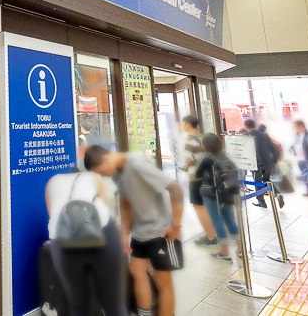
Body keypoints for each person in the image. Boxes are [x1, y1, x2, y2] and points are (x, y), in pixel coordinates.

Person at [85, 145, 184, 316]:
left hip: (160, 232)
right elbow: (125, 201)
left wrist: (176, 225)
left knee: (163, 282)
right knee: (137, 271)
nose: (103, 176)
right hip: (140, 233)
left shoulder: (138, 165)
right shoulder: (117, 172)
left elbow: (175, 189)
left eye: (101, 172)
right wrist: (124, 233)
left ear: (106, 159)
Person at [45, 170, 126, 315]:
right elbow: (104, 206)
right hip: (101, 235)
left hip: (62, 241)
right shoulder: (93, 177)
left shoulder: (51, 182)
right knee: (114, 303)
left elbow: (52, 213)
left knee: (78, 305)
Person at [196, 133, 242, 261]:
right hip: (227, 193)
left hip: (212, 194)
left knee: (217, 222)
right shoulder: (225, 156)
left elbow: (197, 173)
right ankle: (240, 250)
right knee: (230, 220)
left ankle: (225, 253)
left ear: (205, 145)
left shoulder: (206, 158)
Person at [179, 115, 217, 247]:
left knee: (199, 207)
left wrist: (185, 165)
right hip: (208, 177)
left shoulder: (189, 140)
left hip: (196, 177)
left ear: (188, 124)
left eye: (183, 123)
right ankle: (214, 234)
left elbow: (188, 160)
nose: (182, 126)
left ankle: (211, 237)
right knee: (207, 206)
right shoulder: (203, 138)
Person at [244, 119, 284, 209]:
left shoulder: (247, 136)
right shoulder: (264, 135)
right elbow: (273, 149)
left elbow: (245, 152)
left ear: (246, 126)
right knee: (266, 180)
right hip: (268, 162)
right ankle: (278, 194)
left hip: (256, 164)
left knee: (257, 183)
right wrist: (274, 160)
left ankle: (261, 202)